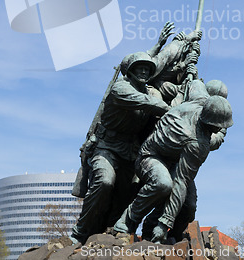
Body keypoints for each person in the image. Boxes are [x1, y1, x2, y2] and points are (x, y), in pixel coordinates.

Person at [70, 52, 170, 244]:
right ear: (130, 71)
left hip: (130, 151)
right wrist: (166, 108)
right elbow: (146, 103)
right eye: (139, 67)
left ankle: (111, 230)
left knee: (126, 194)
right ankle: (79, 232)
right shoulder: (121, 88)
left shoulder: (150, 92)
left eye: (147, 68)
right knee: (105, 181)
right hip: (107, 147)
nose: (143, 71)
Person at [113, 95, 233, 243]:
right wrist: (165, 223)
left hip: (175, 160)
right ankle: (126, 222)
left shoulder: (198, 102)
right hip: (150, 156)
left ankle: (157, 232)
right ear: (210, 122)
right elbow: (180, 181)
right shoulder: (197, 143)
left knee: (189, 206)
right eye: (219, 126)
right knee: (163, 184)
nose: (220, 128)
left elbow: (196, 85)